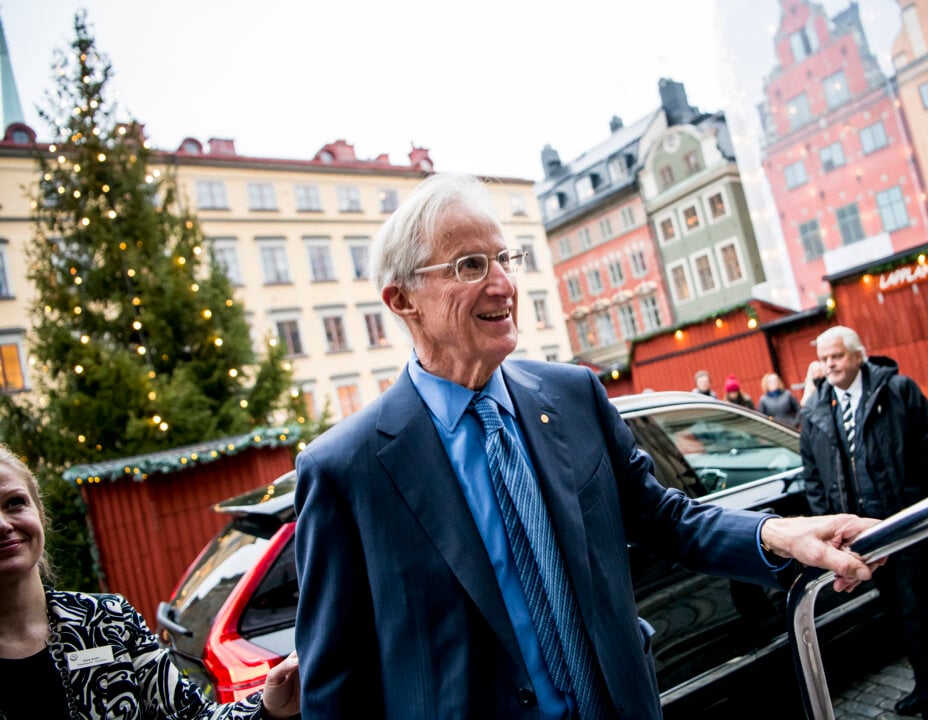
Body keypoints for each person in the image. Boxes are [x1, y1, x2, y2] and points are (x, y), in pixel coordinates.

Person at [292, 173, 881, 720]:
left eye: (504, 258)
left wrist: (777, 534)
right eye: (470, 265)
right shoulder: (345, 469)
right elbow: (336, 689)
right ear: (402, 300)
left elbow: (661, 517)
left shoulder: (572, 394)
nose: (503, 283)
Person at [0, 445, 301, 720]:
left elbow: (192, 715)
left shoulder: (106, 621)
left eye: (14, 503)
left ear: (39, 512)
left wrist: (268, 708)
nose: (3, 524)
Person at [799, 326, 928, 720]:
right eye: (824, 358)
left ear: (858, 355)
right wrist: (831, 531)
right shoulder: (816, 411)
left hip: (904, 529)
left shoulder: (899, 391)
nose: (830, 364)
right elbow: (813, 478)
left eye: (836, 356)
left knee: (919, 617)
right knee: (895, 618)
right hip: (860, 543)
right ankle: (926, 688)